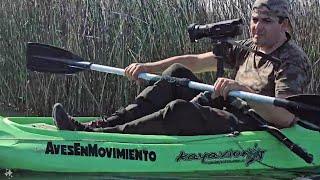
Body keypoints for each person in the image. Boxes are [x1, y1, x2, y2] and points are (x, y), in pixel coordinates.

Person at [52, 0, 310, 135]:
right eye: (254, 20)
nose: (257, 27)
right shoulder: (247, 45)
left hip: (254, 123)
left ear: (284, 25)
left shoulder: (291, 61)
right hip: (227, 107)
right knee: (175, 75)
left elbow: (286, 117)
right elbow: (196, 62)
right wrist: (149, 67)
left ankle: (107, 137)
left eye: (266, 21)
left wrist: (239, 89)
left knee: (178, 111)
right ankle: (98, 126)